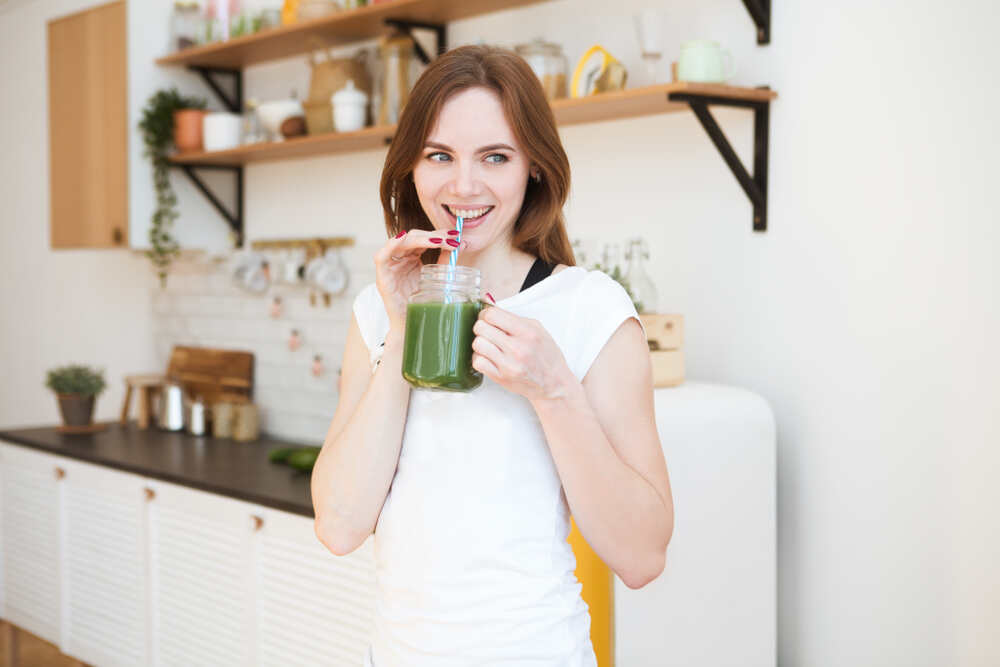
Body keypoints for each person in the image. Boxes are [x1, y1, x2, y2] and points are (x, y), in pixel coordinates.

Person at [312, 44, 673, 666]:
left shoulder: (591, 309)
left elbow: (642, 556)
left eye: (495, 157)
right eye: (440, 156)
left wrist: (554, 389)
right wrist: (402, 328)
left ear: (533, 166)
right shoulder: (376, 311)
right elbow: (340, 525)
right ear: (412, 167)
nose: (464, 186)